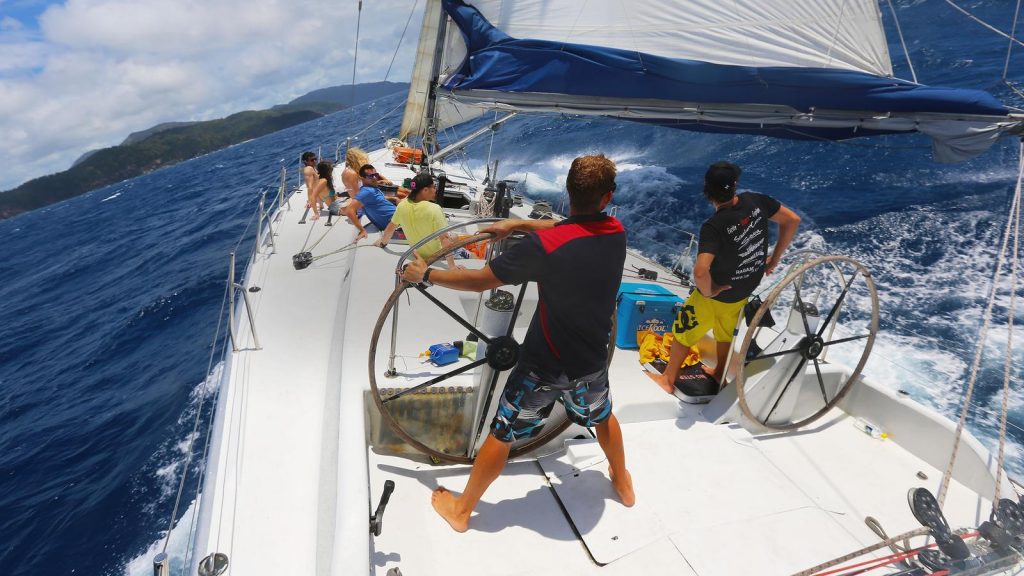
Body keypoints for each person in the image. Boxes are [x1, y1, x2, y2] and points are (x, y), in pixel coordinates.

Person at [401, 154, 635, 533]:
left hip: (544, 367)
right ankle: (622, 481)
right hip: (592, 362)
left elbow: (481, 281)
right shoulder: (616, 232)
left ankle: (462, 511)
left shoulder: (545, 246)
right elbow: (570, 227)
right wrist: (517, 223)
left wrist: (426, 274)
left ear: (567, 191)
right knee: (603, 415)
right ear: (607, 198)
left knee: (503, 433)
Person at [653, 161, 801, 394]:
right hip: (745, 289)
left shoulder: (714, 226)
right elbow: (792, 220)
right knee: (725, 332)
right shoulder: (756, 201)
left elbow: (700, 271)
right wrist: (774, 258)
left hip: (717, 295)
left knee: (683, 331)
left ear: (707, 189)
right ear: (735, 185)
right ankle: (719, 371)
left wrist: (708, 291)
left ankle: (667, 379)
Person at [375, 173, 460, 268]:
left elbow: (390, 229)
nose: (435, 190)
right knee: (456, 238)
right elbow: (445, 239)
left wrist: (382, 243)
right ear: (425, 190)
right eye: (434, 187)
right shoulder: (435, 209)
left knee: (454, 236)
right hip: (437, 257)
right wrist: (452, 267)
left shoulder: (402, 205)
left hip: (417, 254)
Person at [342, 164, 397, 242]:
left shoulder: (371, 188)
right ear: (362, 178)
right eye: (371, 176)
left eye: (376, 175)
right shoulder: (367, 191)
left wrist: (394, 198)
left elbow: (377, 199)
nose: (375, 178)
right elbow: (349, 210)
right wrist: (362, 230)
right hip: (396, 224)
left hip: (398, 218)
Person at [302, 151, 321, 220]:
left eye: (315, 159)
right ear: (306, 161)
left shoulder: (313, 167)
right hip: (321, 195)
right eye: (312, 160)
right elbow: (309, 187)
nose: (315, 161)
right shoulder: (308, 170)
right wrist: (310, 201)